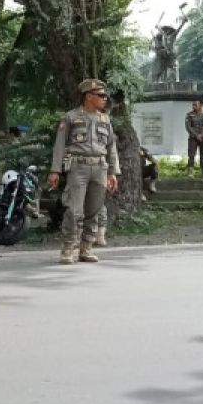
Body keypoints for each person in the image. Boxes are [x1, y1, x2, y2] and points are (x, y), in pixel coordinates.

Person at [48, 79, 121, 265]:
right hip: (78, 167)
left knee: (93, 210)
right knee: (74, 210)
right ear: (88, 96)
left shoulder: (105, 119)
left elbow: (111, 147)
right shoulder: (71, 117)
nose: (104, 99)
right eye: (101, 95)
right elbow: (59, 145)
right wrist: (55, 170)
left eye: (105, 95)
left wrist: (113, 172)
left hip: (100, 168)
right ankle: (68, 248)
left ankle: (86, 247)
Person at [184, 100, 203, 173]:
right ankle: (190, 171)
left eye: (196, 105)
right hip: (193, 138)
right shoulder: (189, 115)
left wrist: (202, 134)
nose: (194, 106)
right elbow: (188, 127)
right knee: (191, 155)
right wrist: (196, 135)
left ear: (200, 105)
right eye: (193, 105)